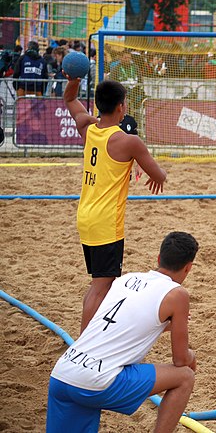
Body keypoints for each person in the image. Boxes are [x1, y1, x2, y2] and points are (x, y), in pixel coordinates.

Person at [47, 232, 199, 433]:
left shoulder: (126, 278)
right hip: (97, 381)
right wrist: (192, 356)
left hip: (63, 373)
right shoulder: (177, 294)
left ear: (159, 258)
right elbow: (181, 360)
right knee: (185, 376)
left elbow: (123, 321)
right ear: (188, 267)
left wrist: (163, 325)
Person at [63, 73, 167, 333]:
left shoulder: (88, 129)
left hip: (85, 216)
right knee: (101, 286)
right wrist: (135, 160)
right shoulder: (129, 141)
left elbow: (71, 99)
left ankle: (88, 338)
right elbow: (160, 176)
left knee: (99, 283)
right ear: (121, 107)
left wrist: (74, 79)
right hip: (106, 222)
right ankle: (84, 345)